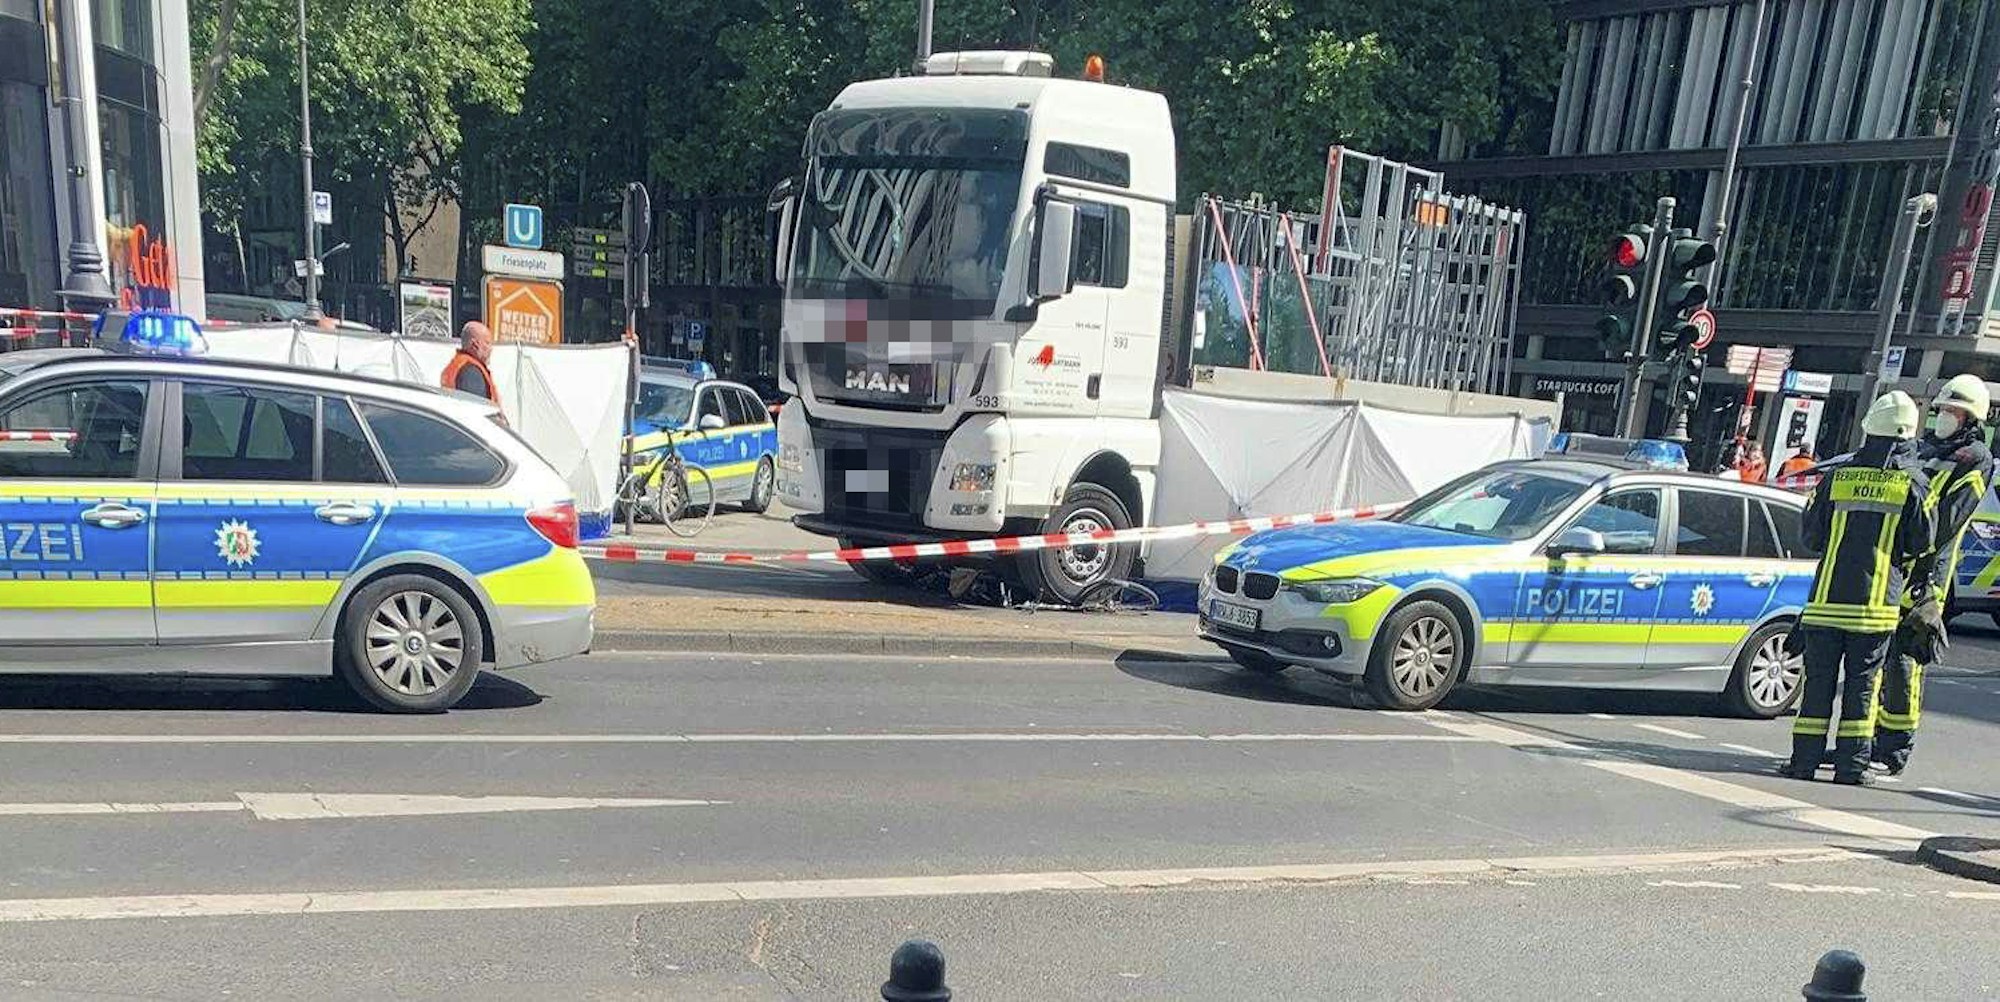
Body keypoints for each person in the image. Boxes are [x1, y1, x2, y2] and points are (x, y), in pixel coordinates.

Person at [1780, 391, 1933, 785]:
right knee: (1862, 691)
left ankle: (1804, 762)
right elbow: (1921, 543)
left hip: (1825, 605)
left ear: (1869, 429)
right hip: (1875, 609)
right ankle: (1851, 768)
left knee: (1817, 690)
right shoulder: (1912, 484)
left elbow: (1812, 538)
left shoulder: (1836, 478)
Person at [1873, 375, 1994, 774]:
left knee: (1906, 658)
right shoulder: (1924, 448)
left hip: (1928, 573)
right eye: (1942, 410)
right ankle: (1868, 739)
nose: (1944, 417)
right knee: (1878, 654)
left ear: (1971, 418)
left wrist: (1916, 548)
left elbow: (1948, 521)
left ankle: (1894, 748)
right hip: (1897, 563)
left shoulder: (1976, 458)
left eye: (1953, 412)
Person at [442, 321, 499, 404]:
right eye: (487, 343)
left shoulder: (459, 364)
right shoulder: (471, 372)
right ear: (474, 345)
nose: (491, 349)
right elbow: (477, 409)